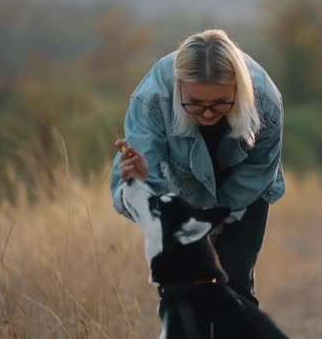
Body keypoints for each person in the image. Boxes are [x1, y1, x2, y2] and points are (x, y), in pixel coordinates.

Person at [110, 29, 285, 337]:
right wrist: (185, 224)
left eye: (220, 104)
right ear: (179, 88)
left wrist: (215, 219)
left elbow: (259, 170)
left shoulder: (265, 100)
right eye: (195, 103)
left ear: (239, 88)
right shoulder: (152, 98)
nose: (207, 113)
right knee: (180, 286)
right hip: (176, 188)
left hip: (246, 190)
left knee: (234, 282)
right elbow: (147, 186)